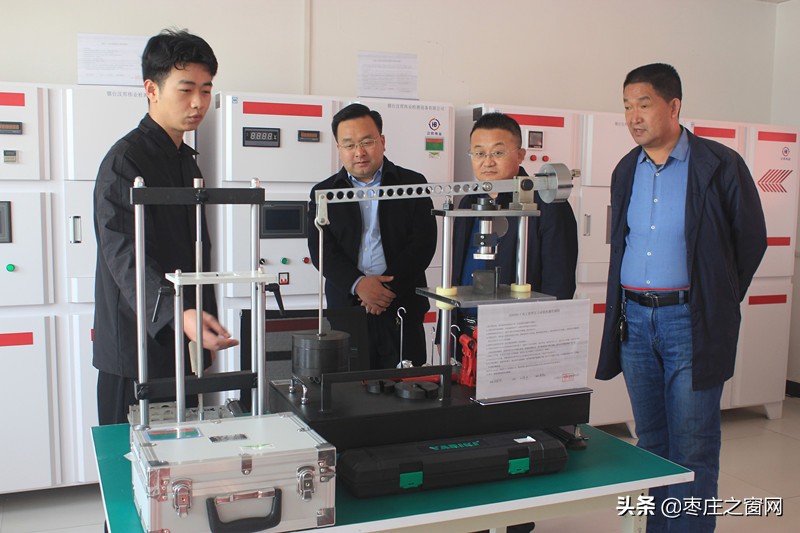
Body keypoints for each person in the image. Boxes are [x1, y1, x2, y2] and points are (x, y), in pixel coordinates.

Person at [597, 63, 767, 532]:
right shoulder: (626, 169)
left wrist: (716, 298)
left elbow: (751, 240)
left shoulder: (719, 164)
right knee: (651, 441)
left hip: (690, 320)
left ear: (673, 106)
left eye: (644, 104)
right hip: (635, 322)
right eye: (626, 106)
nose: (633, 116)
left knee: (693, 446)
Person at [93, 29, 238, 426]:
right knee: (131, 456)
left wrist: (200, 319)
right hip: (135, 346)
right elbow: (125, 255)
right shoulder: (125, 162)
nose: (198, 103)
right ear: (151, 89)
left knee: (182, 453)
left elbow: (194, 252)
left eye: (206, 90)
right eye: (186, 89)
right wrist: (180, 314)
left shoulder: (186, 161)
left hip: (182, 338)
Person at [307, 103, 437, 370]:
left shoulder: (412, 183)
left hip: (402, 306)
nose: (359, 152)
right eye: (349, 145)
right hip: (348, 309)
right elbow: (321, 249)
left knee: (406, 385)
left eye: (367, 142)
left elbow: (422, 244)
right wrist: (359, 285)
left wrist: (385, 290)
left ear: (382, 141)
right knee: (350, 386)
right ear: (339, 148)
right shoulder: (324, 192)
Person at [449, 112, 578, 351]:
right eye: (479, 153)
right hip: (466, 329)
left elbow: (559, 282)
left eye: (498, 152)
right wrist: (447, 332)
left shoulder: (546, 203)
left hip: (520, 332)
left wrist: (544, 339)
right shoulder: (469, 201)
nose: (487, 162)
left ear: (520, 155)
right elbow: (455, 269)